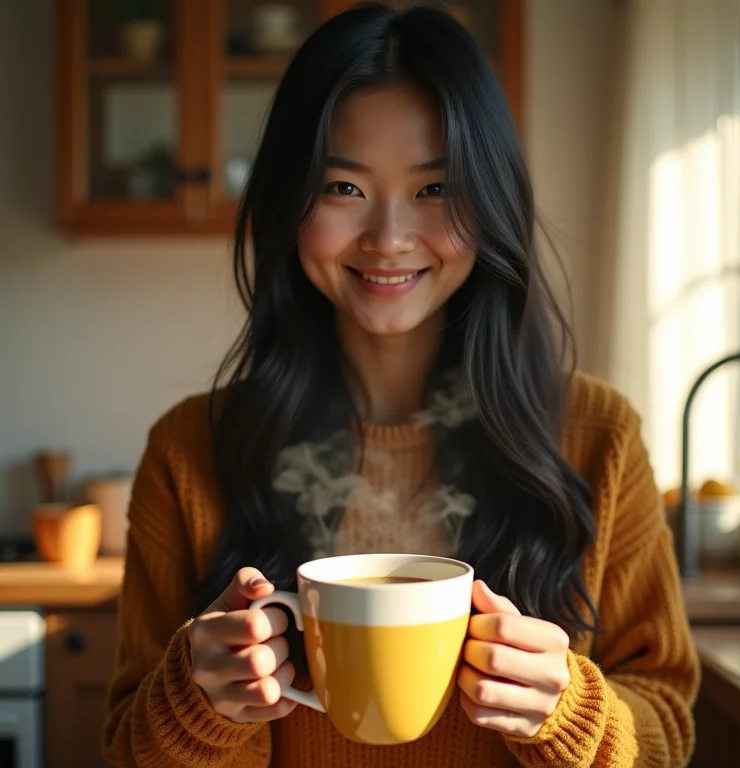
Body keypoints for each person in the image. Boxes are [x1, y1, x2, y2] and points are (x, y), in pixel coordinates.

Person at [103, 3, 700, 766]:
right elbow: (124, 750)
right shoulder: (191, 453)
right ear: (289, 204)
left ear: (491, 204)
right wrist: (197, 703)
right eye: (343, 189)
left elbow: (671, 736)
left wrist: (572, 713)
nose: (389, 237)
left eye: (435, 187)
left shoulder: (596, 438)